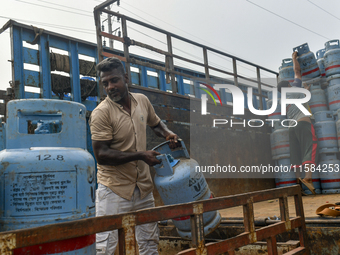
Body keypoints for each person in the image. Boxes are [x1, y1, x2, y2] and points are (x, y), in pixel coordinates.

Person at [89, 57, 179, 255]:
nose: (110, 87)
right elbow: (102, 155)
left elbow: (155, 123)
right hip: (114, 190)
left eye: (114, 80)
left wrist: (167, 133)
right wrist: (140, 155)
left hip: (143, 188)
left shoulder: (142, 101)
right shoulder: (101, 113)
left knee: (149, 244)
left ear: (126, 78)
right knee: (105, 248)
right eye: (105, 83)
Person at [277, 51, 318, 195]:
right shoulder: (295, 88)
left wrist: (305, 91)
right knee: (309, 148)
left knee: (295, 155)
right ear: (289, 84)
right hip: (303, 124)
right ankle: (308, 178)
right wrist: (294, 58)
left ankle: (298, 187)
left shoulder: (284, 100)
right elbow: (297, 71)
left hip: (291, 128)